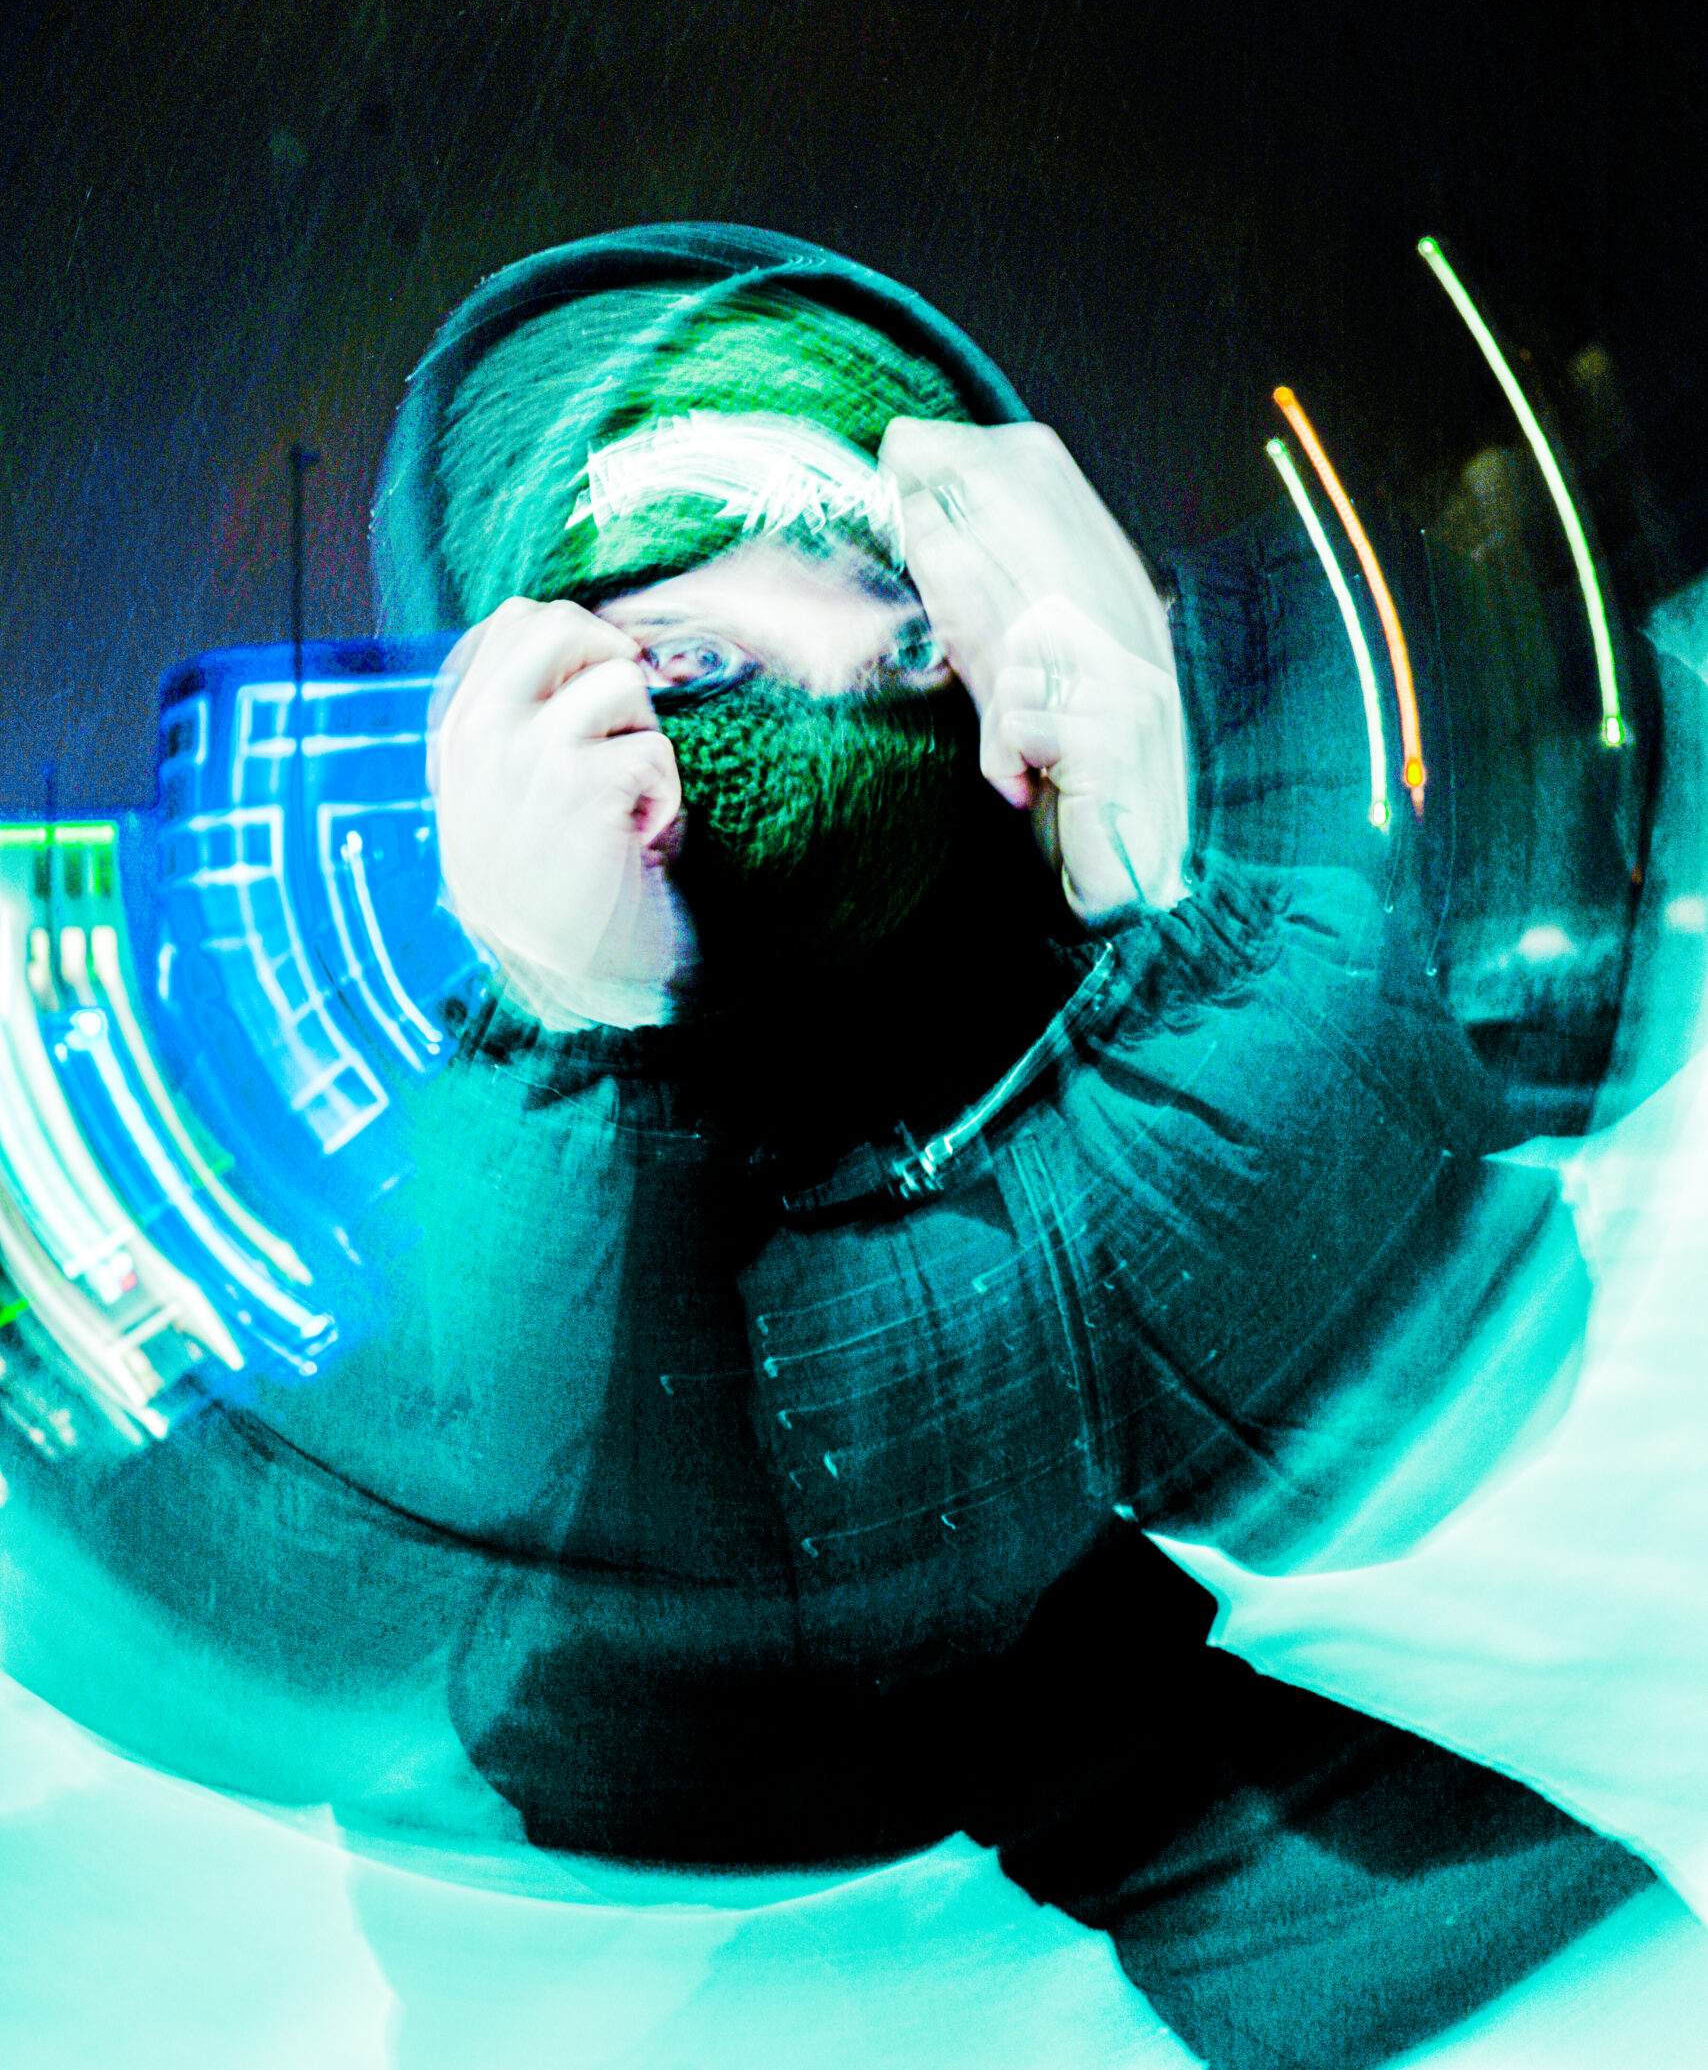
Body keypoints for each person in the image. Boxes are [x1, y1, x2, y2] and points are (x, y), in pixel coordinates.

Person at [355, 223, 1657, 2066]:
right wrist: (578, 1048)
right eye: (685, 652)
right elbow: (567, 1692)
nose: (828, 696)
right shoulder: (468, 1141)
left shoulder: (1035, 961)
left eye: (898, 634)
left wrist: (1156, 911)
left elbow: (1405, 1413)